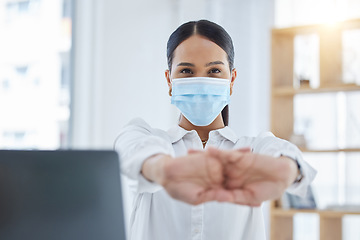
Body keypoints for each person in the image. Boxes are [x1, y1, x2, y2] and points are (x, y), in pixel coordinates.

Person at [114, 20, 316, 240]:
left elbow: (282, 152)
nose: (201, 81)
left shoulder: (251, 149)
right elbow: (129, 149)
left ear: (232, 79)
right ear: (169, 80)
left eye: (214, 70)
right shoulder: (146, 138)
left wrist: (284, 170)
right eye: (187, 71)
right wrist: (162, 169)